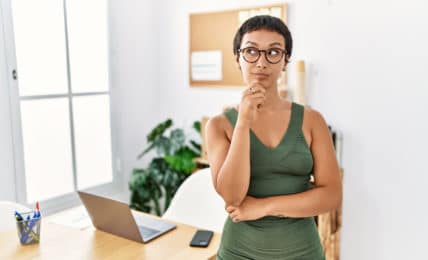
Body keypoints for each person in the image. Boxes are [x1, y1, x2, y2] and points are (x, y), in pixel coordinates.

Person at [205, 15, 342, 259]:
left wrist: (263, 207)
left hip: (303, 252)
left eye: (273, 52)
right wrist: (243, 121)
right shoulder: (218, 126)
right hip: (239, 252)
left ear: (285, 61)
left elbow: (331, 196)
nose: (261, 62)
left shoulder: (312, 121)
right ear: (238, 59)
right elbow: (232, 196)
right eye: (251, 51)